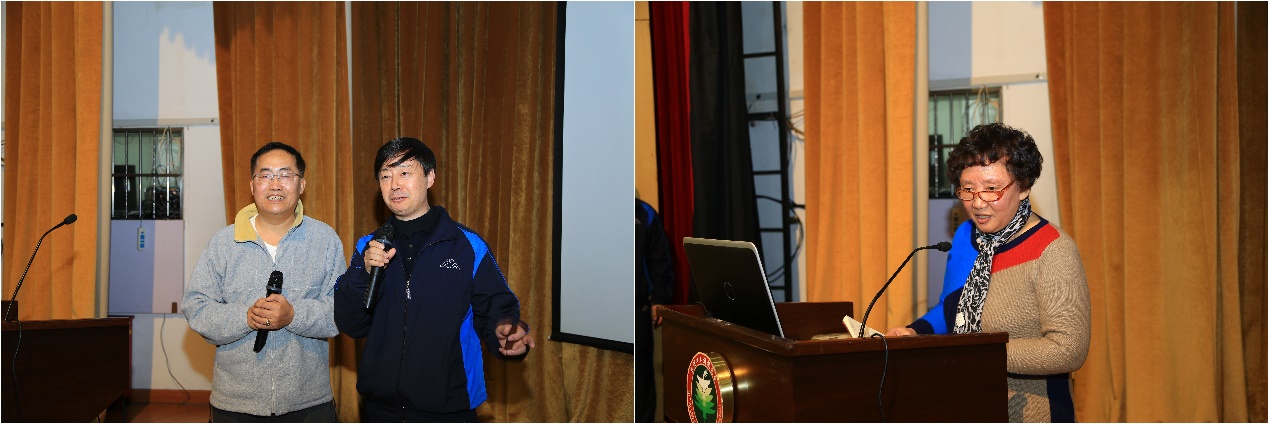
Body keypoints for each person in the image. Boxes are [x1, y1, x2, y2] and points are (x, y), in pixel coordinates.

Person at [884, 123, 1090, 423]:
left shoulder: (1053, 249)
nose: (977, 203)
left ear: (1024, 187)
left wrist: (976, 352)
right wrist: (916, 331)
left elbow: (1067, 350)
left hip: (1032, 411)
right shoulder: (965, 236)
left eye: (992, 189)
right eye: (968, 189)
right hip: (965, 401)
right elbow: (951, 306)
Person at [334, 137, 535, 422]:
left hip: (449, 407)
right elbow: (351, 323)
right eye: (385, 176)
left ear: (430, 178)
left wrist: (505, 332)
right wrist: (364, 273)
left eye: (405, 173)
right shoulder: (369, 247)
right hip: (381, 408)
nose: (394, 185)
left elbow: (496, 310)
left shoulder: (467, 245)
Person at [182, 142, 344, 422]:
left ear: (302, 184)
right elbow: (196, 308)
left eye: (285, 174)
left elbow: (343, 310)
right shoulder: (224, 242)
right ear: (252, 185)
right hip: (235, 403)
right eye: (266, 175)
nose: (275, 184)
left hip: (308, 402)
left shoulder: (325, 240)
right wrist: (245, 317)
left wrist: (294, 315)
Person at [636, 197, 675, 423]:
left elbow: (659, 259)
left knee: (641, 379)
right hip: (602, 309)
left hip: (638, 310)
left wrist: (659, 299)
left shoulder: (645, 213)